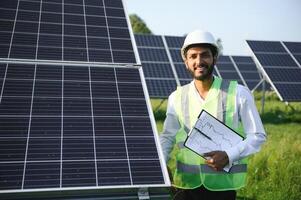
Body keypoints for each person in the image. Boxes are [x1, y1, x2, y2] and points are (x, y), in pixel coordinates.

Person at [160, 30, 266, 200]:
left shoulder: (238, 93)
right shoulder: (176, 97)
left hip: (222, 187)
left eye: (205, 55)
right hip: (185, 186)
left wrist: (229, 155)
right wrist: (161, 166)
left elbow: (258, 136)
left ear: (214, 58)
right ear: (186, 61)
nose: (199, 61)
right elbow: (167, 137)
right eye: (193, 56)